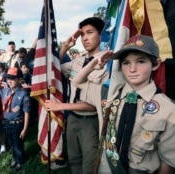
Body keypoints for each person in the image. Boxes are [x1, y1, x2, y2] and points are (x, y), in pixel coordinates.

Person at [69, 35, 175, 173]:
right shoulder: (107, 94)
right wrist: (93, 65)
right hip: (107, 168)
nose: (132, 69)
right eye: (126, 63)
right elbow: (77, 82)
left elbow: (167, 161)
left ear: (155, 64)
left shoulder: (168, 109)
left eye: (141, 61)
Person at [46, 17, 106, 174]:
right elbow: (53, 68)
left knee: (90, 164)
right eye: (82, 35)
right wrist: (65, 47)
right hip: (72, 118)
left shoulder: (107, 63)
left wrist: (60, 106)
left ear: (101, 34)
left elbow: (96, 104)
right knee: (74, 159)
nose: (85, 38)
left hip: (91, 121)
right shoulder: (78, 61)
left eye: (90, 32)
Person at [0, 67, 31, 173]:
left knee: (18, 144)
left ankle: (20, 161)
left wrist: (25, 129)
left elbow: (27, 112)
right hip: (7, 123)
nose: (9, 81)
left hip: (18, 124)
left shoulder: (23, 94)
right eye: (8, 78)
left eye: (12, 78)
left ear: (19, 79)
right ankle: (15, 158)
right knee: (11, 143)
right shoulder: (5, 91)